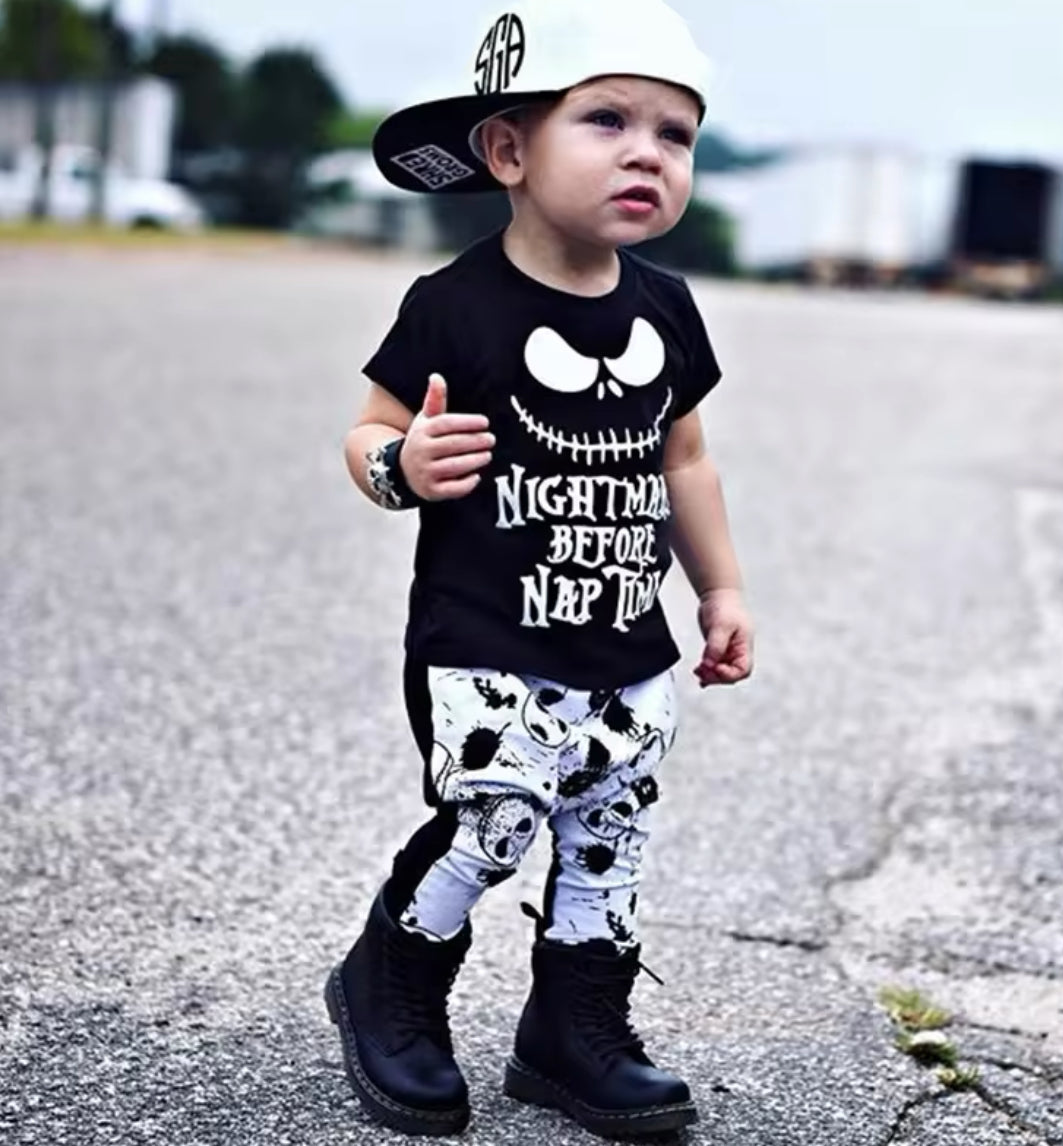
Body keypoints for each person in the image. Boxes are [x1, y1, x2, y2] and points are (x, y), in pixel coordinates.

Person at [326, 0, 754, 1137]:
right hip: (484, 639)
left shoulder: (667, 307)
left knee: (609, 838)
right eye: (607, 119)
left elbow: (688, 461)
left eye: (676, 135)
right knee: (496, 822)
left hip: (625, 644)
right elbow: (365, 436)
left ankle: (572, 1029)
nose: (647, 153)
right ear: (509, 150)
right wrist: (403, 467)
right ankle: (392, 984)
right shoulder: (453, 306)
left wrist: (719, 589)